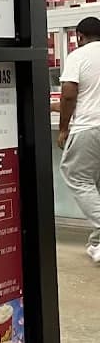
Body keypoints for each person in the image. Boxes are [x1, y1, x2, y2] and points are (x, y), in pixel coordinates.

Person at [58, 15, 100, 262]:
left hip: (89, 128)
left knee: (76, 176)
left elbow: (69, 95)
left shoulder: (78, 56)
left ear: (79, 37)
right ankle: (97, 244)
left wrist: (64, 128)